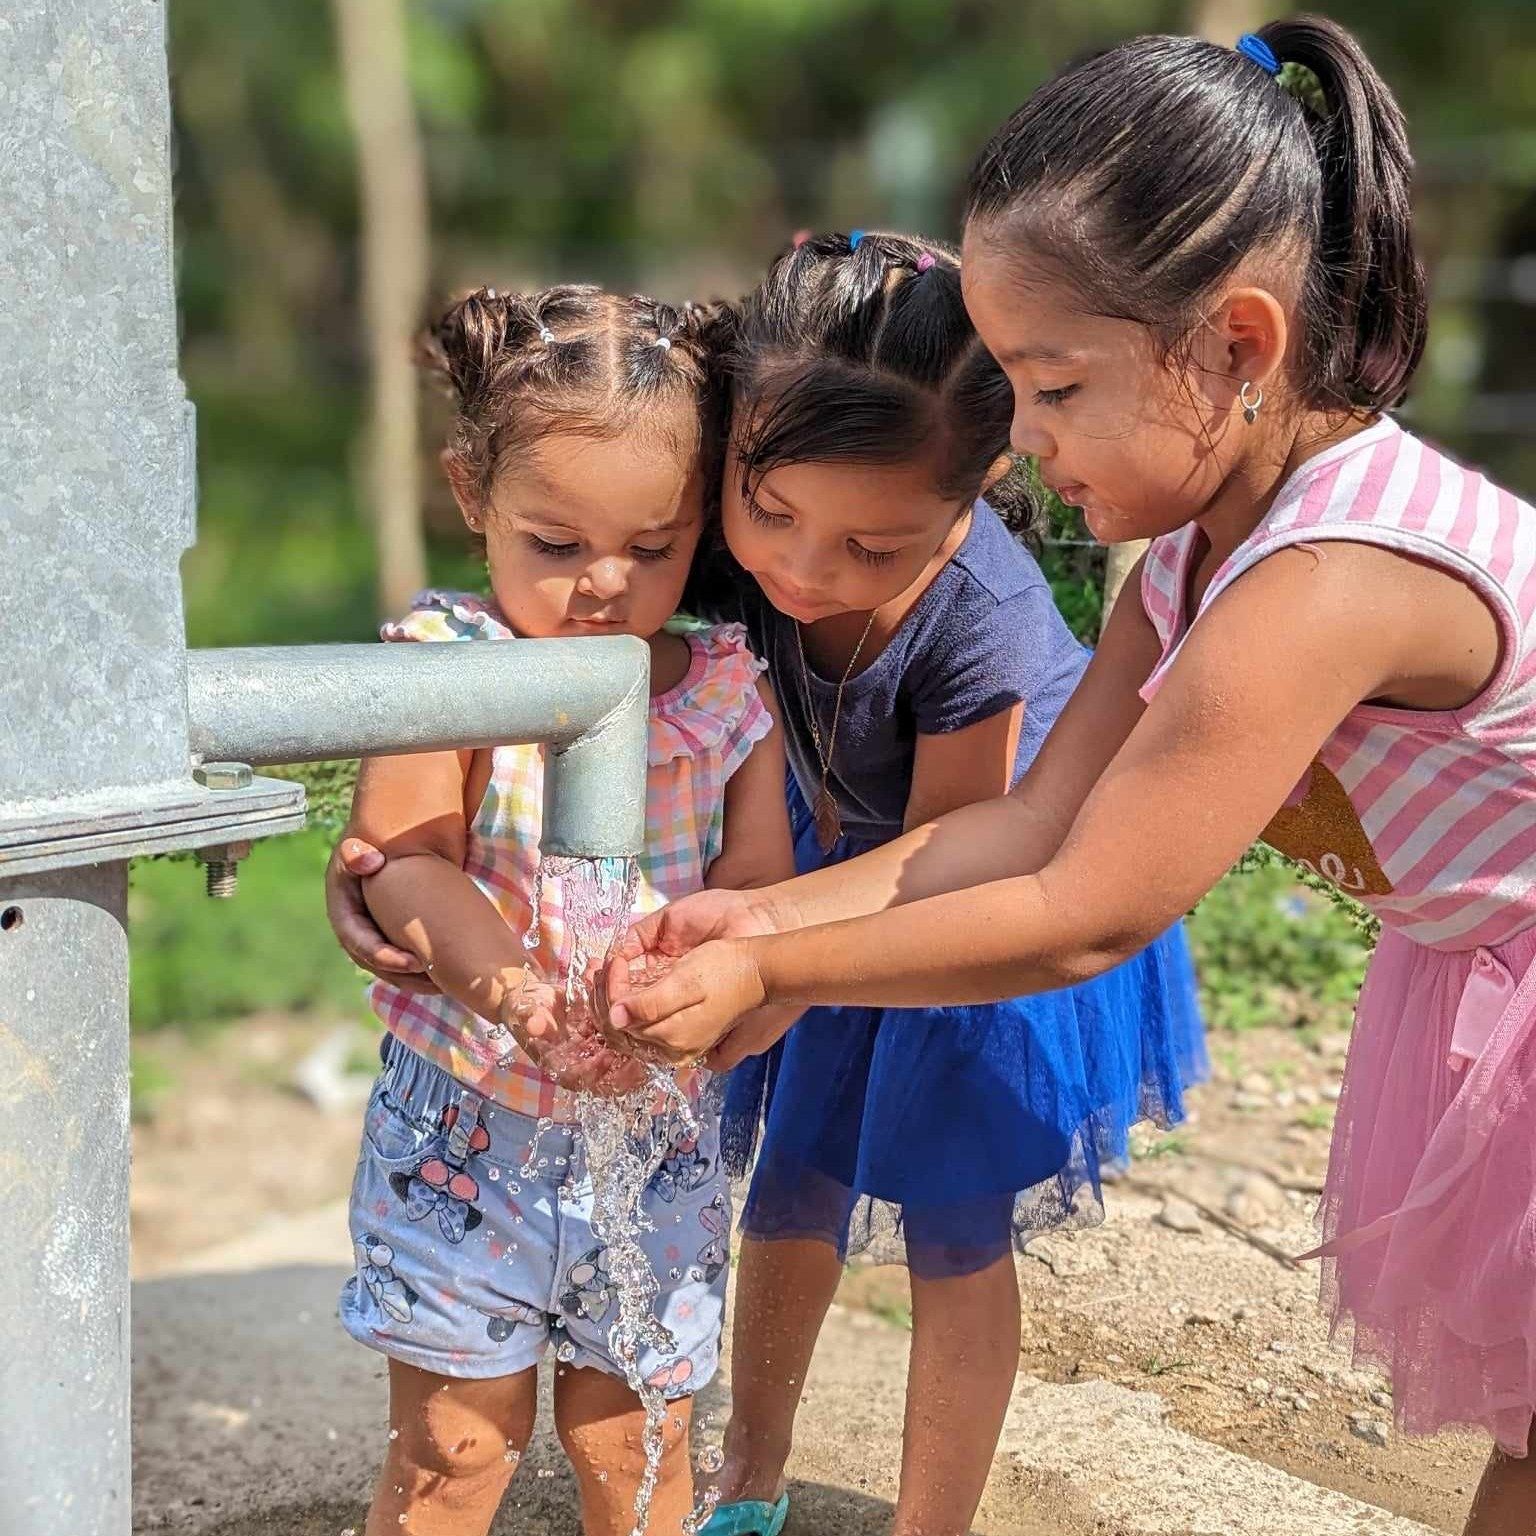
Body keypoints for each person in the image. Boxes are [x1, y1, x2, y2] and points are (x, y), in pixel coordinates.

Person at [605, 21, 1536, 1536]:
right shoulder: (1184, 553)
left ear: (1236, 347)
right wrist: (752, 933)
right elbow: (1028, 822)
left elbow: (1084, 913)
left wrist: (795, 966)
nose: (1021, 450)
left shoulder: (1328, 578)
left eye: (1050, 388)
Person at [333, 233, 1205, 1536]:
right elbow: (419, 836)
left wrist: (778, 967)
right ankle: (754, 1473)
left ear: (977, 494)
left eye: (874, 545)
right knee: (783, 1172)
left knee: (949, 1216)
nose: (802, 570)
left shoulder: (966, 623)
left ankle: (930, 1520)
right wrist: (409, 885)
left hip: (974, 873)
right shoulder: (693, 527)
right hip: (692, 942)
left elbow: (961, 848)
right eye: (772, 519)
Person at [337, 283, 794, 1536]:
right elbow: (411, 861)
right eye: (556, 544)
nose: (604, 584)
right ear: (472, 495)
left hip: (660, 1125)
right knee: (454, 1444)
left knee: (633, 1439)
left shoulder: (721, 692)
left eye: (653, 549)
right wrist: (523, 999)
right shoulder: (447, 671)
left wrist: (724, 996)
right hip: (467, 1123)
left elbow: (756, 893)